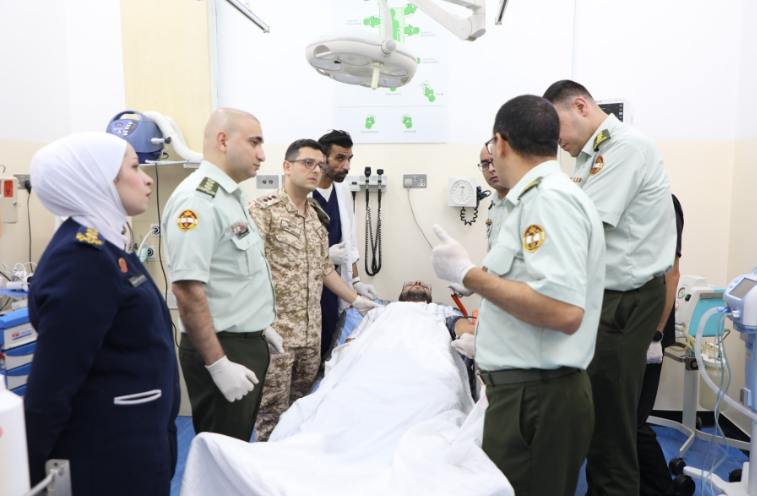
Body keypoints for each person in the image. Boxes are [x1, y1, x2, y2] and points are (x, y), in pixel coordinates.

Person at [431, 94, 605, 496]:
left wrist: (468, 274)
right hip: (525, 391)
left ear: (500, 143)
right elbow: (528, 290)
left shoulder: (548, 200)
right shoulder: (527, 201)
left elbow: (563, 312)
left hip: (537, 397)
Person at [24, 133, 180, 495]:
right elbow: (53, 386)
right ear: (99, 178)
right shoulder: (81, 257)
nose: (147, 180)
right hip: (105, 458)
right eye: (135, 167)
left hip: (136, 442)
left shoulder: (109, 245)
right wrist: (24, 477)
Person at [543, 80, 677, 496]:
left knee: (611, 427)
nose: (555, 140)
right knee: (599, 415)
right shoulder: (590, 156)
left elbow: (582, 226)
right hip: (606, 298)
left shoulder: (624, 148)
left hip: (624, 300)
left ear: (580, 106)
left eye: (556, 128)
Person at [248, 139, 379, 441]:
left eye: (319, 165)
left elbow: (324, 269)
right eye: (308, 163)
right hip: (276, 335)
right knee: (271, 418)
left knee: (304, 415)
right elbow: (246, 271)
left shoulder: (316, 216)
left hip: (310, 337)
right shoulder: (262, 211)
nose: (316, 170)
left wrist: (356, 299)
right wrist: (259, 324)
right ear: (286, 166)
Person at [163, 108, 278, 442]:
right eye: (254, 142)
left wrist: (259, 325)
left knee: (236, 444)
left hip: (243, 342)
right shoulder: (198, 200)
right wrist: (218, 365)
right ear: (223, 141)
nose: (262, 154)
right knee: (222, 450)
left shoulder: (229, 197)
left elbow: (231, 276)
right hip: (222, 347)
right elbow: (187, 289)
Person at [315, 130, 379, 358]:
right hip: (309, 283)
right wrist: (324, 256)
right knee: (313, 342)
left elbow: (349, 240)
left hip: (336, 283)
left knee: (331, 341)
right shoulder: (306, 192)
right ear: (322, 158)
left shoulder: (342, 189)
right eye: (340, 158)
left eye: (349, 159)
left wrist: (356, 281)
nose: (347, 166)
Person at [637, 194, 684, 496]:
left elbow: (671, 274)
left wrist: (655, 336)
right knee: (620, 423)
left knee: (632, 422)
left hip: (646, 333)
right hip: (622, 330)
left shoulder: (664, 202)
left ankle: (661, 489)